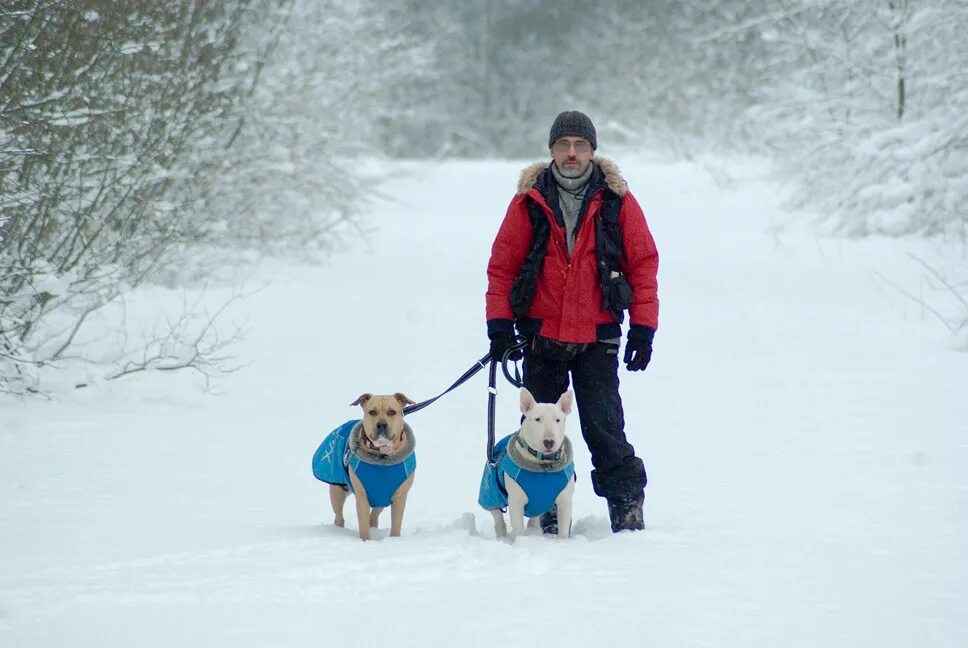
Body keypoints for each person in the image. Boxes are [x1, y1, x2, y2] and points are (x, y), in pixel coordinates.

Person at [485, 110, 659, 533]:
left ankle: (626, 506)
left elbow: (643, 264)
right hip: (541, 336)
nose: (572, 153)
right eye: (563, 145)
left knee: (604, 428)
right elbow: (503, 267)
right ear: (551, 151)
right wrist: (499, 327)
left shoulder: (617, 201)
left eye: (580, 146)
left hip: (598, 336)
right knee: (539, 430)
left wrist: (643, 328)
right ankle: (543, 507)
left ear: (593, 151)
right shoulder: (528, 201)